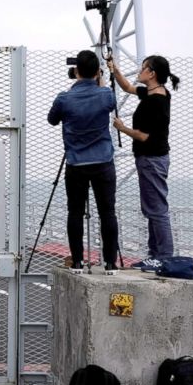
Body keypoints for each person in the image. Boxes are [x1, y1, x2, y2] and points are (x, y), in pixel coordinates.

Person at [47, 49, 119, 272]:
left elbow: (52, 120)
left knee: (75, 212)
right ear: (97, 71)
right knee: (107, 212)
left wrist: (73, 91)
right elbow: (109, 100)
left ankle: (77, 261)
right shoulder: (105, 94)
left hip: (76, 164)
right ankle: (110, 263)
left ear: (76, 70)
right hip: (103, 162)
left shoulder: (64, 98)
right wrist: (100, 79)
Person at [109, 55, 181, 262]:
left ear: (152, 73)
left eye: (143, 69)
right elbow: (126, 88)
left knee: (157, 210)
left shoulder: (156, 101)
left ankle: (164, 258)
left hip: (151, 159)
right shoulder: (152, 93)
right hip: (151, 159)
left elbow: (145, 136)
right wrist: (115, 69)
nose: (139, 72)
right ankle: (155, 255)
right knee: (152, 207)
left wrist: (123, 129)